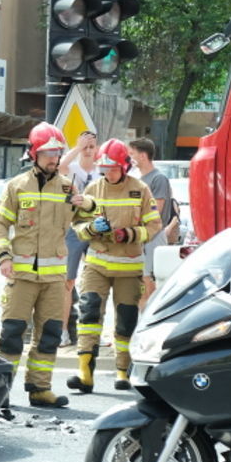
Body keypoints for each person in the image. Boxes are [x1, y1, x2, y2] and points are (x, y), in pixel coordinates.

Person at [0, 123, 93, 408]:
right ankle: (0, 392)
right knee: (12, 334)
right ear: (34, 154)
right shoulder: (16, 186)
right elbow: (0, 224)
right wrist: (4, 256)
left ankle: (40, 389)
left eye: (57, 152)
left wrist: (87, 204)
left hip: (53, 279)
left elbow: (85, 221)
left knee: (48, 335)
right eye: (48, 153)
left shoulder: (66, 186)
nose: (54, 158)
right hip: (21, 275)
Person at [66, 138, 161, 394]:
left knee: (126, 320)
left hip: (129, 268)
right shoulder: (94, 189)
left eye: (113, 168)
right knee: (89, 314)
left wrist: (128, 234)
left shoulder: (140, 189)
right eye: (104, 168)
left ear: (124, 166)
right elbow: (77, 225)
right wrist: (91, 229)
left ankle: (122, 371)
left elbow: (154, 226)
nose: (108, 172)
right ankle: (84, 371)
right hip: (97, 265)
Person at [59, 130, 97, 346]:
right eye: (86, 147)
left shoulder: (101, 170)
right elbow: (61, 167)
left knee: (96, 280)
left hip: (95, 228)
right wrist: (77, 147)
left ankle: (92, 332)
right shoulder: (72, 168)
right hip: (73, 229)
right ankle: (64, 331)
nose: (89, 151)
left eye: (92, 147)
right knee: (68, 281)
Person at [130, 138, 175, 309]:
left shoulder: (158, 178)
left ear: (142, 156)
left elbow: (156, 208)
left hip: (153, 237)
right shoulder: (137, 179)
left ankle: (151, 317)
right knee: (142, 279)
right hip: (141, 236)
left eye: (132, 154)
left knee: (149, 280)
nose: (130, 159)